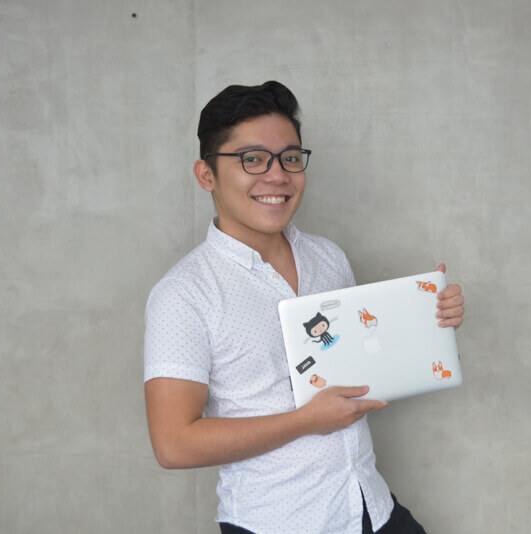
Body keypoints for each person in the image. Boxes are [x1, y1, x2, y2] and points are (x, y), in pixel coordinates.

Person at [144, 81, 465, 533]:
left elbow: (360, 367)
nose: (277, 175)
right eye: (252, 159)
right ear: (206, 175)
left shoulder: (328, 258)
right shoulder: (183, 294)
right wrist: (304, 422)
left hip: (369, 506)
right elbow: (174, 445)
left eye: (290, 158)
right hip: (278, 522)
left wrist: (429, 322)